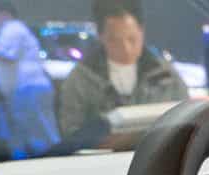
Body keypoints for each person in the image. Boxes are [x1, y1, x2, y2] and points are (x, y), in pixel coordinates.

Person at [56, 0, 187, 146]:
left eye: (132, 39)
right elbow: (70, 133)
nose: (126, 49)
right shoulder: (81, 80)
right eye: (115, 41)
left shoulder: (166, 76)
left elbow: (185, 122)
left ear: (142, 31)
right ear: (101, 36)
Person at [0, 4, 58, 157]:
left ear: (4, 13)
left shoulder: (13, 29)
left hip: (29, 89)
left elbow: (8, 55)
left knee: (42, 133)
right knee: (36, 133)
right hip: (29, 88)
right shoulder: (15, 29)